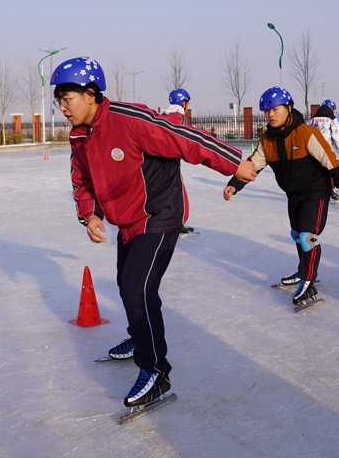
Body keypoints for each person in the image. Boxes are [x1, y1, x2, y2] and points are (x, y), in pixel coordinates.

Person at [52, 57, 256, 408]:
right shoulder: (80, 135)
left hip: (160, 214)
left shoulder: (129, 120)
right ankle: (139, 337)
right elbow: (82, 179)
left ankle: (156, 371)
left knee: (137, 288)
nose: (63, 108)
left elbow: (183, 138)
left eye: (67, 99)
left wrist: (233, 161)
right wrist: (90, 214)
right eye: (59, 101)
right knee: (125, 284)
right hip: (127, 219)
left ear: (90, 94)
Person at [224, 87, 339, 307]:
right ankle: (302, 272)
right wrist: (234, 184)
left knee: (307, 236)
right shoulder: (267, 140)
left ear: (289, 108)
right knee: (297, 234)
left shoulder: (306, 133)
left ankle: (308, 282)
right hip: (293, 195)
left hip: (315, 193)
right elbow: (253, 165)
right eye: (266, 111)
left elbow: (332, 161)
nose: (270, 115)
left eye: (275, 109)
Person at [161, 88, 197, 235]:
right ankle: (178, 223)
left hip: (154, 163)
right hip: (170, 163)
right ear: (184, 103)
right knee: (179, 195)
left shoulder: (162, 116)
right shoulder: (179, 118)